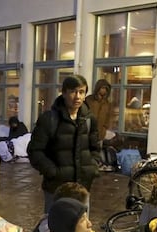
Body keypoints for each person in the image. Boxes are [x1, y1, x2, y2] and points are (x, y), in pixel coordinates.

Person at [28, 74, 102, 211]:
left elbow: (95, 148)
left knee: (80, 222)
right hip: (56, 188)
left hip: (82, 187)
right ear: (64, 93)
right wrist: (52, 172)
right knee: (55, 222)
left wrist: (92, 167)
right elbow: (35, 151)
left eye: (81, 92)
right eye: (73, 91)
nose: (77, 96)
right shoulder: (49, 119)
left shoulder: (89, 119)